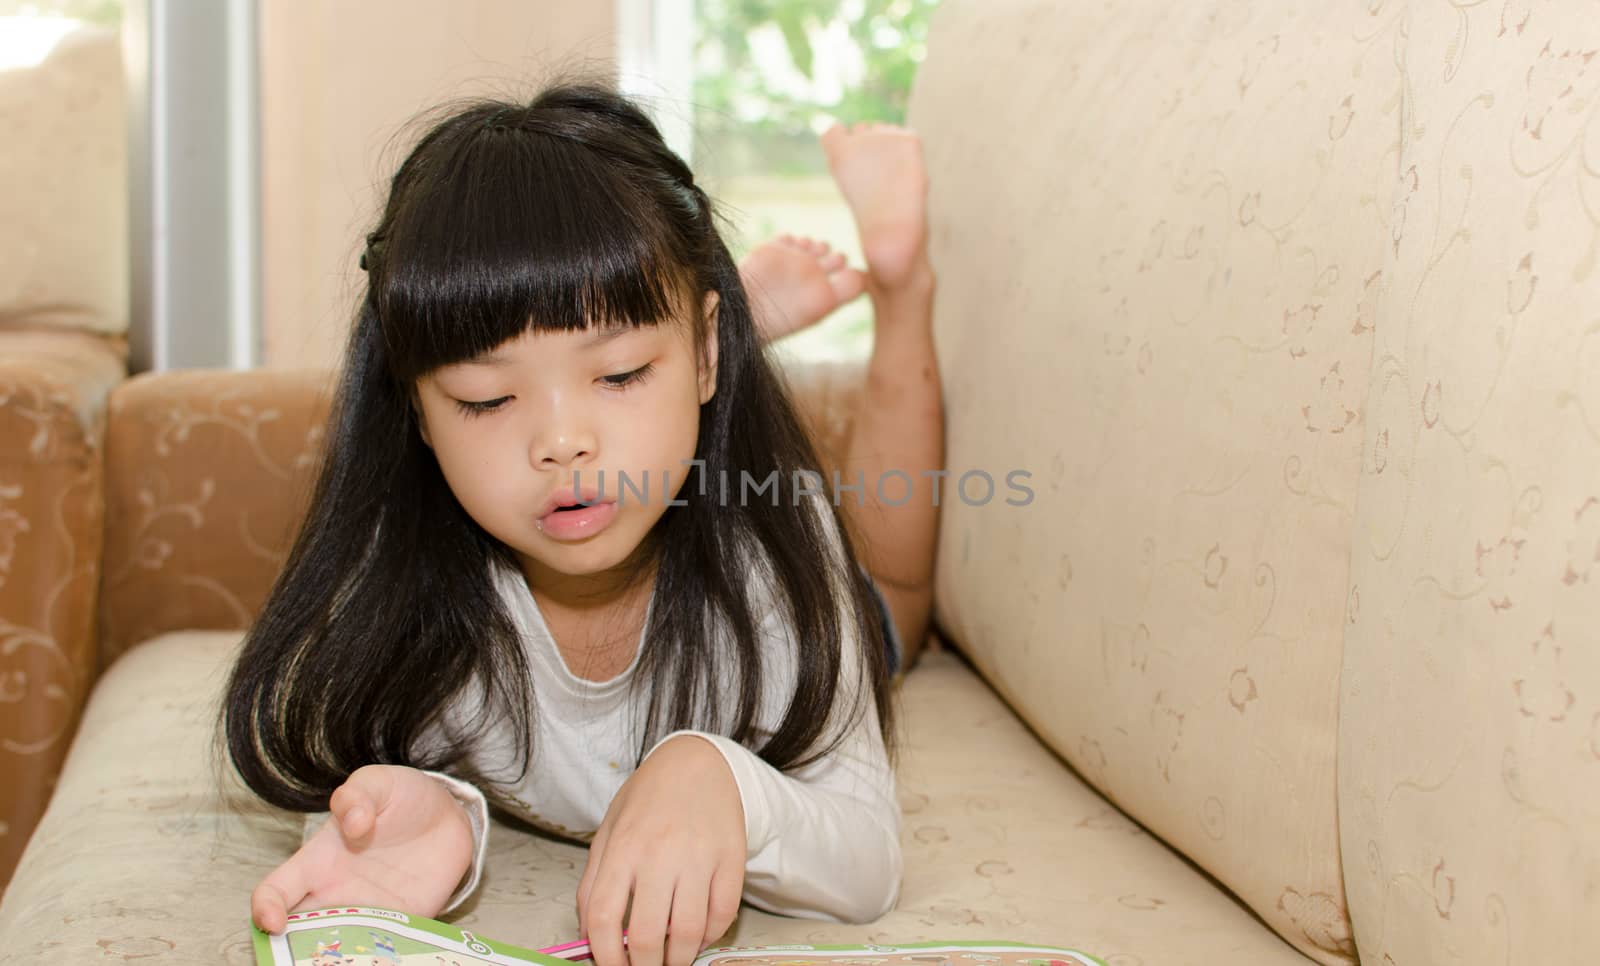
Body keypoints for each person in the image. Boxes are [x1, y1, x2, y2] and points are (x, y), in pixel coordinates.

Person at [220, 79, 943, 966]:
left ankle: (897, 281)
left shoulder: (775, 569)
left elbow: (867, 856)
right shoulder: (404, 579)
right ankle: (673, 341)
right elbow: (380, 783)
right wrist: (438, 814)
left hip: (785, 565)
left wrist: (720, 778)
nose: (561, 443)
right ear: (415, 410)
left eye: (620, 375)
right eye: (486, 399)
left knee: (897, 598)